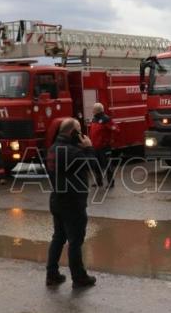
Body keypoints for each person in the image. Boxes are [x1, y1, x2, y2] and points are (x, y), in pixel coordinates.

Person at [45, 118, 98, 288]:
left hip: (57, 200)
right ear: (72, 133)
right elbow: (94, 166)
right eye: (79, 132)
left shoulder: (53, 148)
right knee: (75, 241)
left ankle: (51, 274)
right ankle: (79, 277)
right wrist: (89, 147)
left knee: (58, 237)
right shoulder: (72, 151)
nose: (82, 135)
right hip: (72, 202)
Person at [89, 102, 118, 188]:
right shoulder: (94, 119)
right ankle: (99, 182)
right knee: (96, 165)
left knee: (107, 165)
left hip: (104, 147)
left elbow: (116, 129)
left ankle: (110, 182)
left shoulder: (106, 119)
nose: (92, 110)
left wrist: (110, 140)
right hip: (95, 147)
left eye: (93, 109)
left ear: (96, 110)